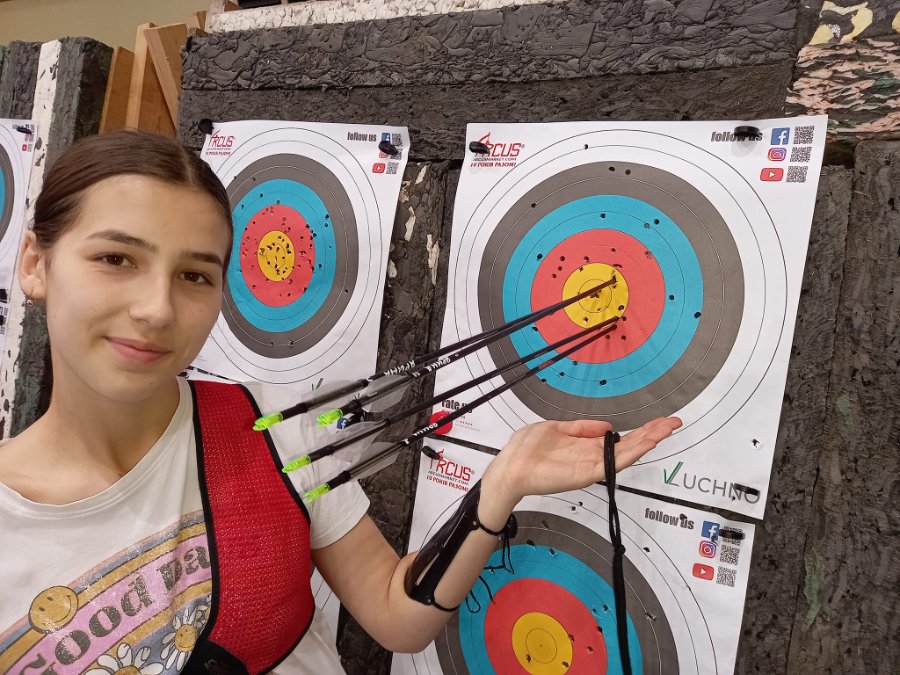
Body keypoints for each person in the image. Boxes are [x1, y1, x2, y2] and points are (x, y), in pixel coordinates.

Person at [0, 130, 680, 674]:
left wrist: (501, 484)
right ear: (34, 263)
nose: (156, 308)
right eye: (116, 259)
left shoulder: (273, 428)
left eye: (195, 275)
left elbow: (396, 614)